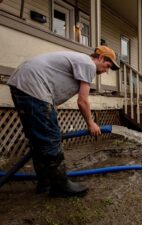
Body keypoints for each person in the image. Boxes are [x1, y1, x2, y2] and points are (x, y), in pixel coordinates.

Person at [7, 46, 120, 197]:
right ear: (100, 58)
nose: (106, 71)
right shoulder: (88, 64)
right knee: (51, 140)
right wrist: (91, 123)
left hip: (23, 83)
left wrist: (51, 107)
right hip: (33, 86)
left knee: (39, 141)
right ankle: (60, 186)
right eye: (107, 66)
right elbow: (83, 101)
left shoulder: (79, 60)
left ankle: (45, 183)